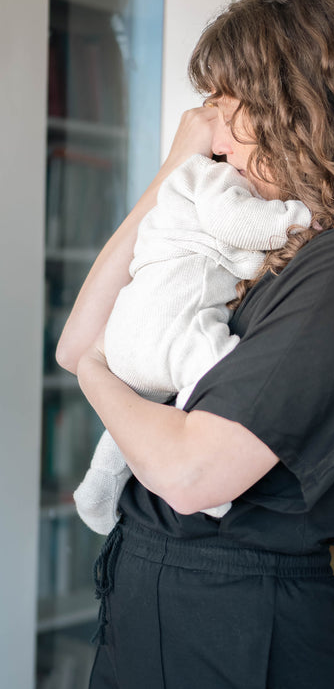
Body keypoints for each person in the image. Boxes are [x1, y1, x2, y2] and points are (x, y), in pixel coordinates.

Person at [56, 0, 334, 689]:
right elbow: (78, 336)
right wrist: (173, 181)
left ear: (301, 107)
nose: (214, 131)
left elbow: (189, 474)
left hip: (230, 622)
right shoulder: (259, 245)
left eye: (229, 105)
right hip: (156, 596)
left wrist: (98, 375)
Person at [74, 153, 311, 534]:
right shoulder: (210, 175)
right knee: (224, 368)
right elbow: (238, 223)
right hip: (173, 324)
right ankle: (203, 478)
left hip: (125, 337)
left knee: (128, 421)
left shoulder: (179, 199)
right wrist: (301, 216)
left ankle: (98, 484)